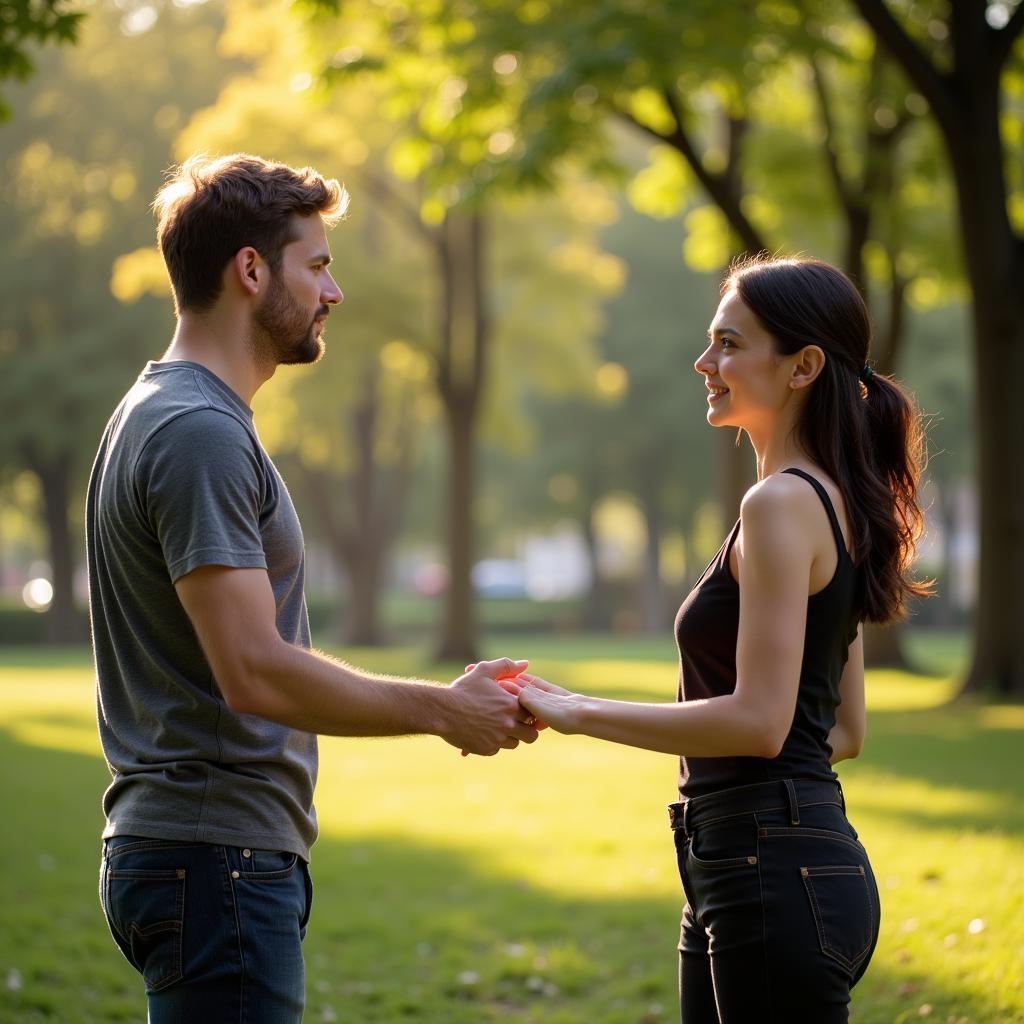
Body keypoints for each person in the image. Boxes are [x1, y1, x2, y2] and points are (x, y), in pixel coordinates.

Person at [86, 153, 539, 1024]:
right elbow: (253, 670)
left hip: (201, 851)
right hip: (214, 856)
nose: (335, 292)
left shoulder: (162, 412)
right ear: (251, 271)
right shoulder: (196, 430)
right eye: (319, 264)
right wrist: (446, 709)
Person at [513, 256, 931, 1023]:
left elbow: (762, 722)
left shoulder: (781, 505)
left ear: (804, 365)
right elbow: (841, 729)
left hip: (769, 867)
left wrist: (577, 711)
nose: (706, 363)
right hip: (757, 861)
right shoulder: (833, 502)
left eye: (730, 345)